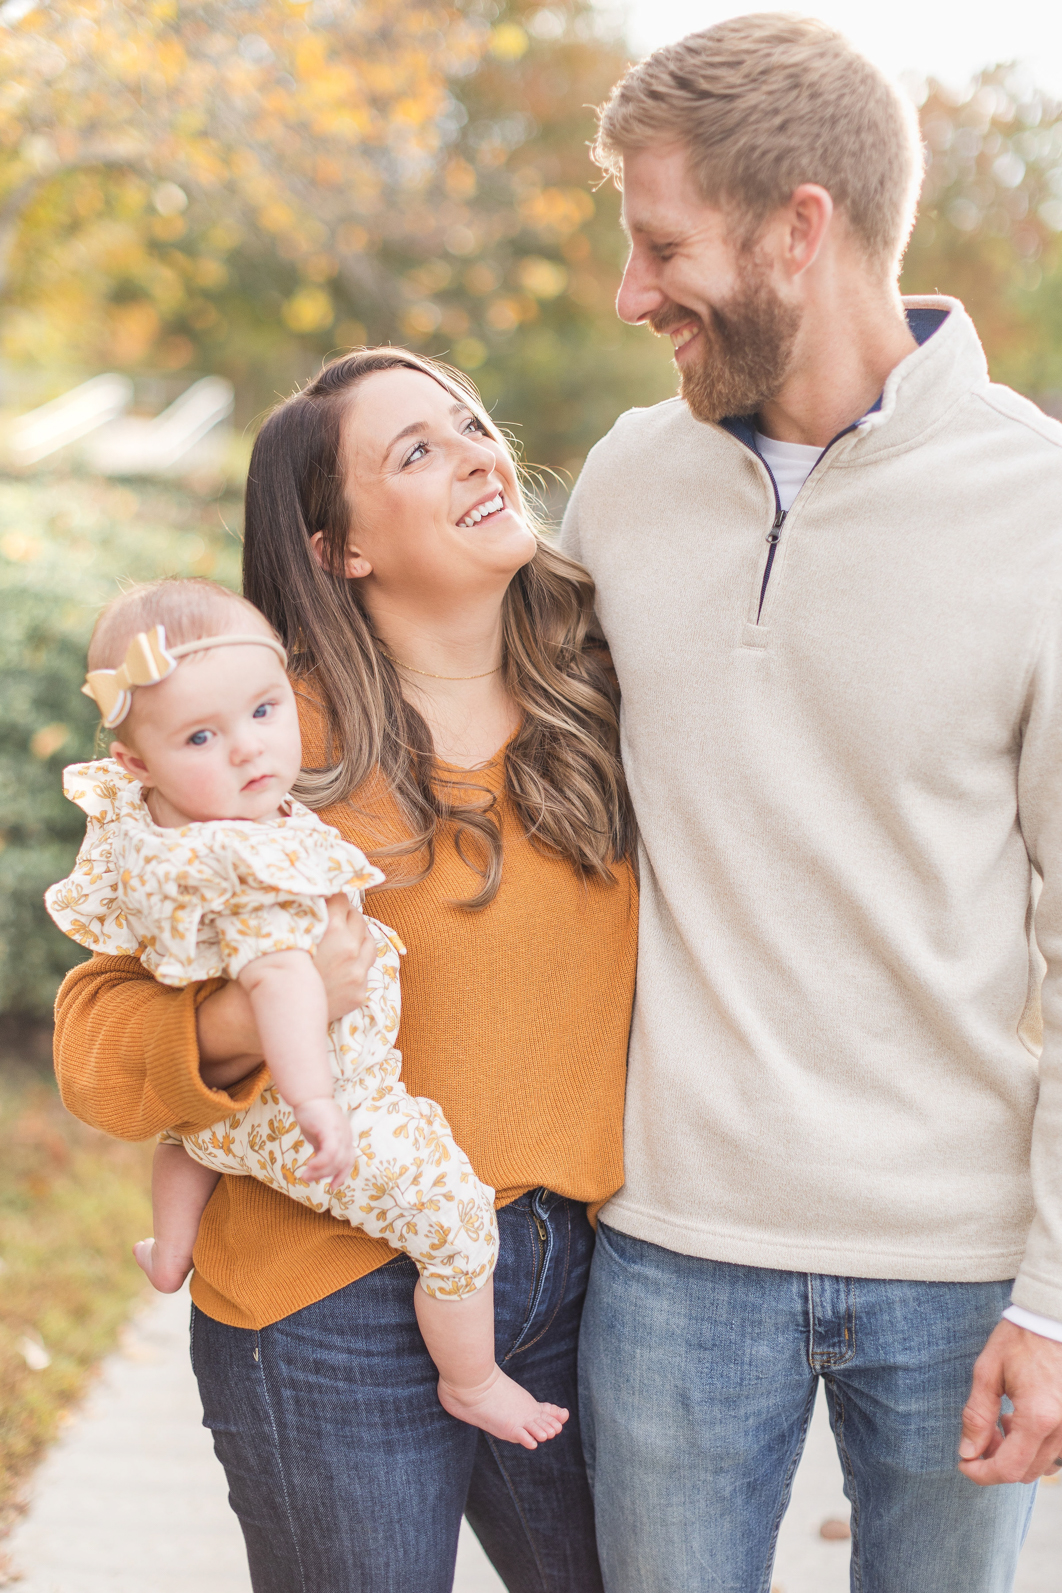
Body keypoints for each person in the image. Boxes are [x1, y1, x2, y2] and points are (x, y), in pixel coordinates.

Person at [561, 15, 1062, 1592]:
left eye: (659, 245)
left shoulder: (1036, 513)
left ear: (799, 225)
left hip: (960, 1275)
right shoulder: (626, 483)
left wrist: (1054, 1299)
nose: (631, 294)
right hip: (672, 1251)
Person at [52, 349, 637, 1593]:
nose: (481, 453)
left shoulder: (604, 707)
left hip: (571, 1284)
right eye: (415, 452)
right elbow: (97, 1053)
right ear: (337, 549)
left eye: (473, 423)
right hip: (327, 1300)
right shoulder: (260, 736)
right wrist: (264, 1003)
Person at [47, 578, 566, 1451]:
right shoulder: (249, 862)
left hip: (228, 1129)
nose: (250, 750)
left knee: (190, 1142)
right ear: (137, 760)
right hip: (324, 1103)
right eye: (203, 736)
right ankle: (472, 1378)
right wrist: (320, 1100)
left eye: (264, 710)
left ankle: (169, 1251)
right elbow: (285, 981)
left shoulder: (158, 825)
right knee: (456, 1220)